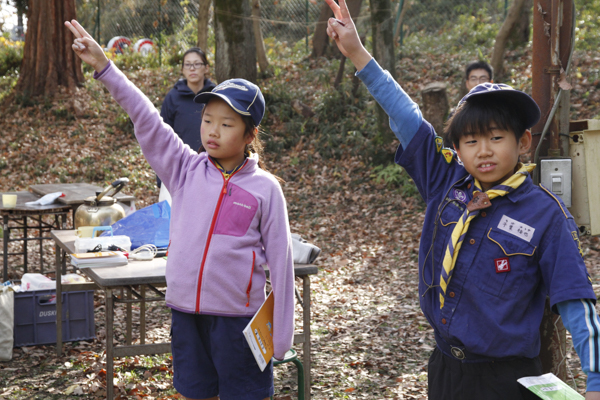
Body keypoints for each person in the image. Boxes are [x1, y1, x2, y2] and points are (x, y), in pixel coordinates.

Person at [324, 1, 600, 399]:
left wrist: (595, 380)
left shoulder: (545, 215)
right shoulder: (447, 181)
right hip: (446, 368)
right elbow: (406, 117)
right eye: (471, 141)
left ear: (522, 142)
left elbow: (575, 298)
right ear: (457, 147)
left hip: (507, 379)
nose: (483, 151)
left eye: (496, 138)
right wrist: (356, 52)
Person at [65, 20, 295, 400]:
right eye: (207, 121)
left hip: (239, 323)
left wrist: (281, 336)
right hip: (186, 316)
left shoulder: (265, 190)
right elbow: (147, 119)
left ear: (250, 134)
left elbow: (282, 265)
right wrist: (106, 69)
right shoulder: (185, 169)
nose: (213, 132)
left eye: (226, 124)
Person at [157, 47, 216, 192]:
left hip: (214, 168)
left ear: (206, 68)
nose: (192, 69)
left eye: (197, 64)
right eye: (188, 65)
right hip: (180, 169)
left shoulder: (216, 96)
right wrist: (161, 176)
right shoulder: (173, 97)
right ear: (183, 69)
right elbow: (162, 138)